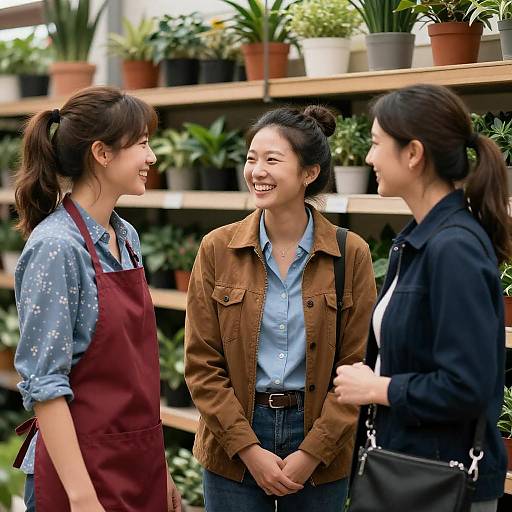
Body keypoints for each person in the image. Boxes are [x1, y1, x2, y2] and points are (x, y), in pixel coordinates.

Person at [184, 105, 376, 512]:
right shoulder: (217, 248)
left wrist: (312, 452)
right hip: (233, 438)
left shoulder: (349, 252)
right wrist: (248, 449)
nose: (257, 171)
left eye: (272, 160)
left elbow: (359, 365)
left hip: (321, 441)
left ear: (309, 173)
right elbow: (201, 364)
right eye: (252, 158)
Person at [334, 84, 511, 512]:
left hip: (437, 484)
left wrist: (379, 388)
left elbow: (466, 385)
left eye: (376, 144)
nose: (369, 158)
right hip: (405, 470)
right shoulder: (417, 241)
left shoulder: (453, 248)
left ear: (413, 154)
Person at [12, 86, 181, 512]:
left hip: (134, 463)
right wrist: (83, 498)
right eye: (142, 144)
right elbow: (45, 386)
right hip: (79, 478)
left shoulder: (126, 237)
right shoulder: (57, 246)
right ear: (102, 153)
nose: (152, 157)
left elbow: (135, 375)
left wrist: (159, 468)